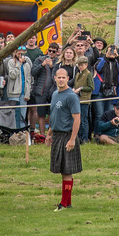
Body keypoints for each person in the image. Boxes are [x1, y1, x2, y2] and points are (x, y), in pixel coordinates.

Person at [49, 67, 82, 211]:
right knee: (63, 170)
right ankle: (67, 203)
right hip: (56, 134)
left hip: (67, 135)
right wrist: (49, 133)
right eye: (59, 77)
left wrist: (72, 139)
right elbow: (54, 116)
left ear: (68, 79)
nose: (61, 80)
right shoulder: (55, 94)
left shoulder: (72, 96)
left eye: (64, 77)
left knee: (67, 170)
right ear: (55, 78)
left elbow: (77, 119)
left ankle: (64, 203)